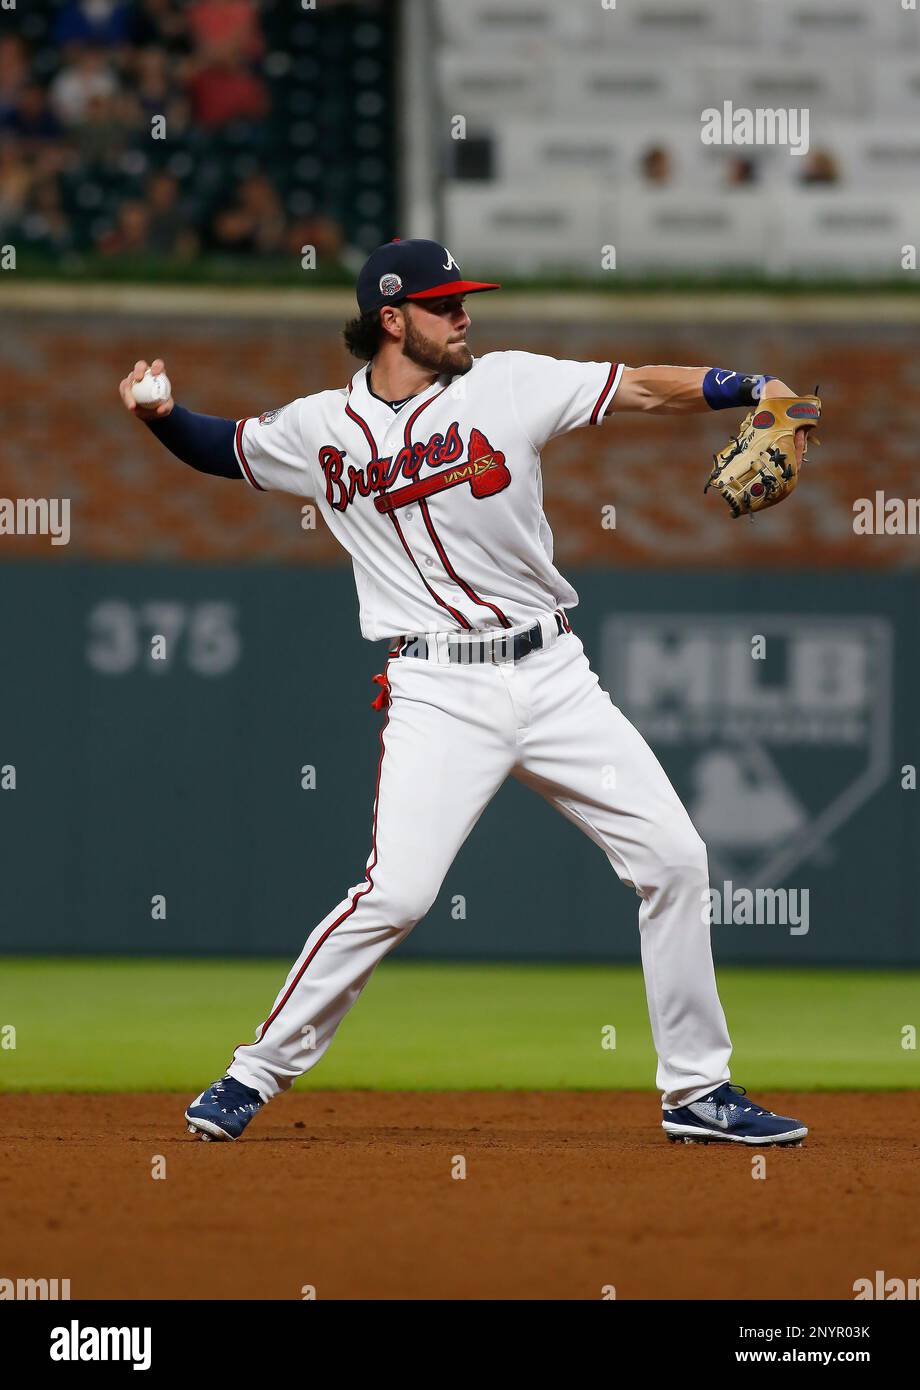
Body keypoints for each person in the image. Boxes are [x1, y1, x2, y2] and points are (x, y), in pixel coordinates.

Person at [118, 238, 810, 1148]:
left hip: (555, 676)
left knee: (676, 860)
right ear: (392, 320)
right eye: (445, 305)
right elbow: (225, 449)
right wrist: (161, 414)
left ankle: (696, 1092)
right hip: (438, 688)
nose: (465, 315)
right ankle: (253, 1073)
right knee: (396, 895)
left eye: (464, 301)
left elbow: (639, 386)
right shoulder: (320, 427)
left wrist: (754, 387)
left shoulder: (509, 383)